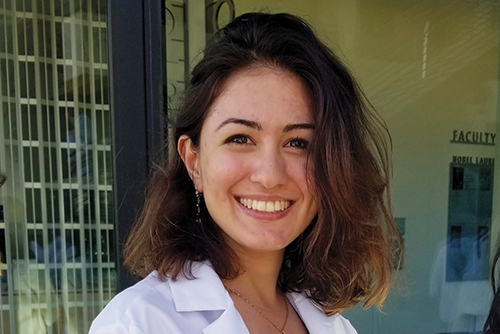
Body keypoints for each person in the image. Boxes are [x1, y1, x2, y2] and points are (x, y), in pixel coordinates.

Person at [89, 12, 401, 334]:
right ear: (193, 161)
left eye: (298, 143)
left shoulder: (335, 326)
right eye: (240, 138)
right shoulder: (137, 324)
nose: (270, 175)